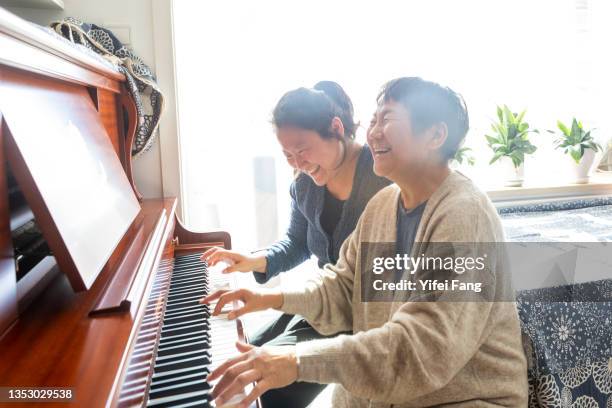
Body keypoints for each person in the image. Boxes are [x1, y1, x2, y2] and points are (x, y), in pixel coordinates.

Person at [202, 77, 528, 407]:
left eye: (388, 119)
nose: (373, 132)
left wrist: (296, 362)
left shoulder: (464, 215)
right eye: (373, 120)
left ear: (435, 135)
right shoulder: (384, 204)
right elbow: (344, 288)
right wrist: (268, 297)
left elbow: (422, 348)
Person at [201, 81, 390, 407]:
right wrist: (253, 260)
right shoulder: (305, 185)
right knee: (235, 355)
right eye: (287, 154)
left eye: (302, 150)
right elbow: (297, 243)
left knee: (257, 381)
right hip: (320, 302)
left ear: (335, 128)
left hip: (357, 318)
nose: (296, 163)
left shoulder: (381, 179)